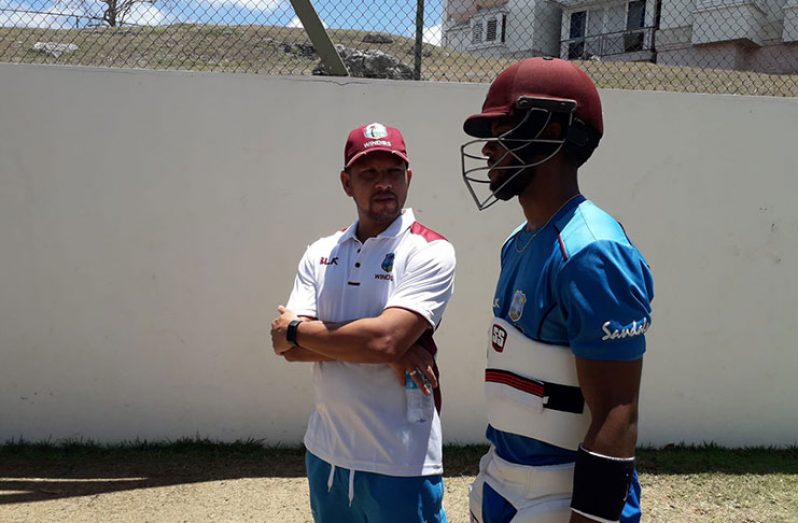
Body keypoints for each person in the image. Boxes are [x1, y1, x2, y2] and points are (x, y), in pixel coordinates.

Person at [460, 57, 654, 523]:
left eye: (501, 128)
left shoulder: (593, 250)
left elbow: (616, 412)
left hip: (560, 498)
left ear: (548, 130)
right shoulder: (518, 241)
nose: (487, 149)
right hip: (502, 482)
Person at [270, 122, 456, 523]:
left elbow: (385, 341)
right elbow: (289, 352)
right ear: (346, 183)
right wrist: (377, 346)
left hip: (402, 462)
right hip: (327, 454)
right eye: (368, 174)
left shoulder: (430, 250)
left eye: (392, 172)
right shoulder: (320, 252)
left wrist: (297, 329)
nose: (383, 183)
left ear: (408, 178)